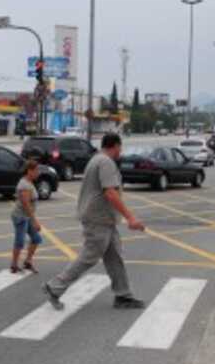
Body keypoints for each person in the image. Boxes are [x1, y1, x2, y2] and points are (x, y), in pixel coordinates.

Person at [43, 132, 147, 310]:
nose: (120, 151)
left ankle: (123, 296)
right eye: (120, 147)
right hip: (98, 219)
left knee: (115, 258)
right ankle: (55, 287)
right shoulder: (106, 162)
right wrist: (130, 218)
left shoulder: (96, 159)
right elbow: (110, 192)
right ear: (115, 146)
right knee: (88, 257)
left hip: (105, 220)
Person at [11, 159, 44, 274]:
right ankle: (14, 265)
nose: (38, 173)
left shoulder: (29, 183)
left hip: (27, 216)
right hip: (21, 217)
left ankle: (28, 262)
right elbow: (26, 205)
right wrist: (35, 221)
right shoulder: (24, 185)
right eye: (36, 170)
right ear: (29, 171)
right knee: (20, 241)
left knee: (36, 239)